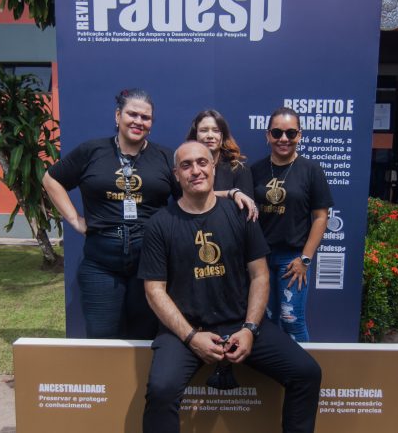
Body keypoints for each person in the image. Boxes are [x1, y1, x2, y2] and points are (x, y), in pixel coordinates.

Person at [138, 141, 321, 433]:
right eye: (186, 165)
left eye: (202, 162)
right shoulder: (159, 224)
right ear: (176, 174)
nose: (195, 170)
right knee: (161, 391)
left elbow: (260, 276)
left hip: (240, 323)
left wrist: (249, 329)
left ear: (213, 167)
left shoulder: (240, 214)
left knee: (307, 373)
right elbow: (154, 291)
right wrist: (191, 337)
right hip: (186, 329)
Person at [42, 88, 179, 339]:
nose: (138, 121)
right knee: (102, 339)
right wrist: (74, 220)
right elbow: (51, 179)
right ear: (118, 116)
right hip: (100, 264)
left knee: (146, 337)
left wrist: (232, 193)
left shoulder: (166, 157)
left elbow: (191, 197)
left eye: (145, 117)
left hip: (150, 263)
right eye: (132, 114)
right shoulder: (92, 151)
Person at [251, 107, 333, 342]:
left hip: (292, 259)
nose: (283, 139)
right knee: (264, 321)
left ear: (300, 135)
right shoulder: (255, 170)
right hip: (260, 259)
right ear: (268, 135)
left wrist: (305, 259)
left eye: (291, 133)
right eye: (277, 133)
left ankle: (302, 366)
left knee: (292, 320)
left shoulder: (311, 170)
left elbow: (321, 217)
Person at [185, 109, 258, 220]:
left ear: (222, 136)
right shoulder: (186, 168)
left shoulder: (238, 168)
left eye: (216, 130)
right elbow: (185, 199)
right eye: (204, 130)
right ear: (196, 135)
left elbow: (248, 209)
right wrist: (230, 193)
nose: (210, 135)